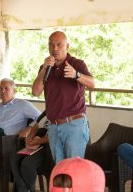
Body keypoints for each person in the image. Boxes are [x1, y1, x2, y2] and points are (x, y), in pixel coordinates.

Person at [32, 31, 94, 163]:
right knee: (60, 171)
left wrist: (76, 75)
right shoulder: (45, 68)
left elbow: (92, 84)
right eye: (51, 45)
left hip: (74, 125)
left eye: (59, 45)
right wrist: (44, 69)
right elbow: (35, 92)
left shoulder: (76, 64)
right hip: (54, 127)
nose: (55, 49)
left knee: (74, 170)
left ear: (67, 46)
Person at [10, 114, 49, 192]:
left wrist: (38, 141)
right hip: (36, 144)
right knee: (14, 158)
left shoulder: (60, 112)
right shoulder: (46, 112)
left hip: (47, 148)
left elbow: (54, 135)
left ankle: (31, 189)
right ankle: (22, 189)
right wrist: (30, 137)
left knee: (27, 164)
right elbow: (35, 126)